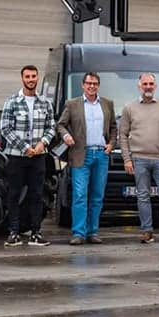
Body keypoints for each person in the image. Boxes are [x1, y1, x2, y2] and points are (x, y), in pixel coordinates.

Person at [118, 73, 159, 244]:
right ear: (139, 86)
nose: (148, 86)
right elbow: (122, 135)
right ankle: (147, 231)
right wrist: (127, 159)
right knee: (143, 196)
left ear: (156, 86)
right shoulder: (129, 108)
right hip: (139, 159)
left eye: (151, 83)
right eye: (145, 83)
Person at [57, 71, 117, 245]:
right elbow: (60, 124)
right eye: (89, 83)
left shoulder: (107, 104)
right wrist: (66, 135)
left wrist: (112, 144)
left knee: (97, 196)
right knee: (80, 195)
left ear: (98, 85)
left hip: (101, 154)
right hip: (80, 155)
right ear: (83, 85)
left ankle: (93, 232)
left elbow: (114, 127)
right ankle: (78, 233)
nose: (92, 86)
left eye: (95, 83)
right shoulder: (72, 104)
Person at [0, 65, 55, 247]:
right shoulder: (12, 101)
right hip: (16, 156)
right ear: (22, 78)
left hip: (38, 156)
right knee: (14, 194)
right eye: (27, 76)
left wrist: (42, 144)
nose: (31, 79)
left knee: (36, 195)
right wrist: (24, 147)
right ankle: (13, 232)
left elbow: (51, 127)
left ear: (38, 78)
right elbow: (5, 128)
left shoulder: (45, 102)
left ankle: (36, 233)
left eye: (33, 76)